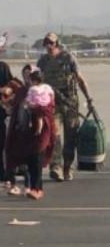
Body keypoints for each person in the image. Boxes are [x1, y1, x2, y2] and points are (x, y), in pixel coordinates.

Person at [37, 32, 93, 181]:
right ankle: (56, 167)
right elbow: (38, 83)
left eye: (52, 43)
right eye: (46, 43)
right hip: (52, 104)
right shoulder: (42, 62)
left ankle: (67, 166)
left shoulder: (68, 58)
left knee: (71, 137)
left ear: (57, 43)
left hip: (70, 103)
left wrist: (89, 99)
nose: (49, 46)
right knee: (54, 134)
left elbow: (80, 79)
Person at [5, 73, 55, 199]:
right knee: (31, 160)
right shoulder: (22, 91)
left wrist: (34, 108)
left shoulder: (45, 91)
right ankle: (34, 187)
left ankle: (37, 189)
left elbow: (49, 109)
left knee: (37, 157)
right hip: (26, 132)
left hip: (42, 132)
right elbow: (16, 108)